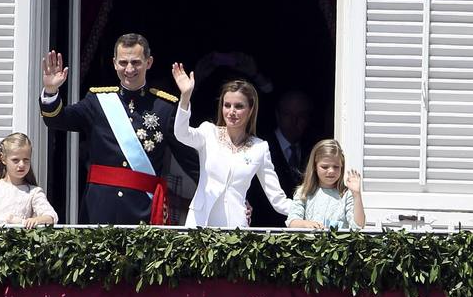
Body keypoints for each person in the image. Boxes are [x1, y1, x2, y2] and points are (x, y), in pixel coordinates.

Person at [40, 33, 197, 225]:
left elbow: (191, 161)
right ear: (114, 63)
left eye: (136, 62)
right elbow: (56, 120)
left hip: (143, 212)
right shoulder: (97, 102)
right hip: (100, 210)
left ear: (149, 62)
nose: (129, 69)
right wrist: (51, 91)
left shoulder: (165, 108)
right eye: (123, 62)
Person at [171, 63, 290, 228]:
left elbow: (277, 198)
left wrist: (308, 211)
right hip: (200, 223)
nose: (231, 111)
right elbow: (181, 133)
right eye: (227, 105)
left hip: (235, 228)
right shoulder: (209, 132)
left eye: (239, 106)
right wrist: (185, 97)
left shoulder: (260, 148)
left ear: (251, 109)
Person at [286, 139, 365, 230]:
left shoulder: (346, 194)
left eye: (336, 167)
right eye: (325, 167)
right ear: (315, 167)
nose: (331, 171)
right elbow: (292, 222)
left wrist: (356, 194)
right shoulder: (304, 192)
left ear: (342, 167)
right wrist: (307, 224)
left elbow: (358, 226)